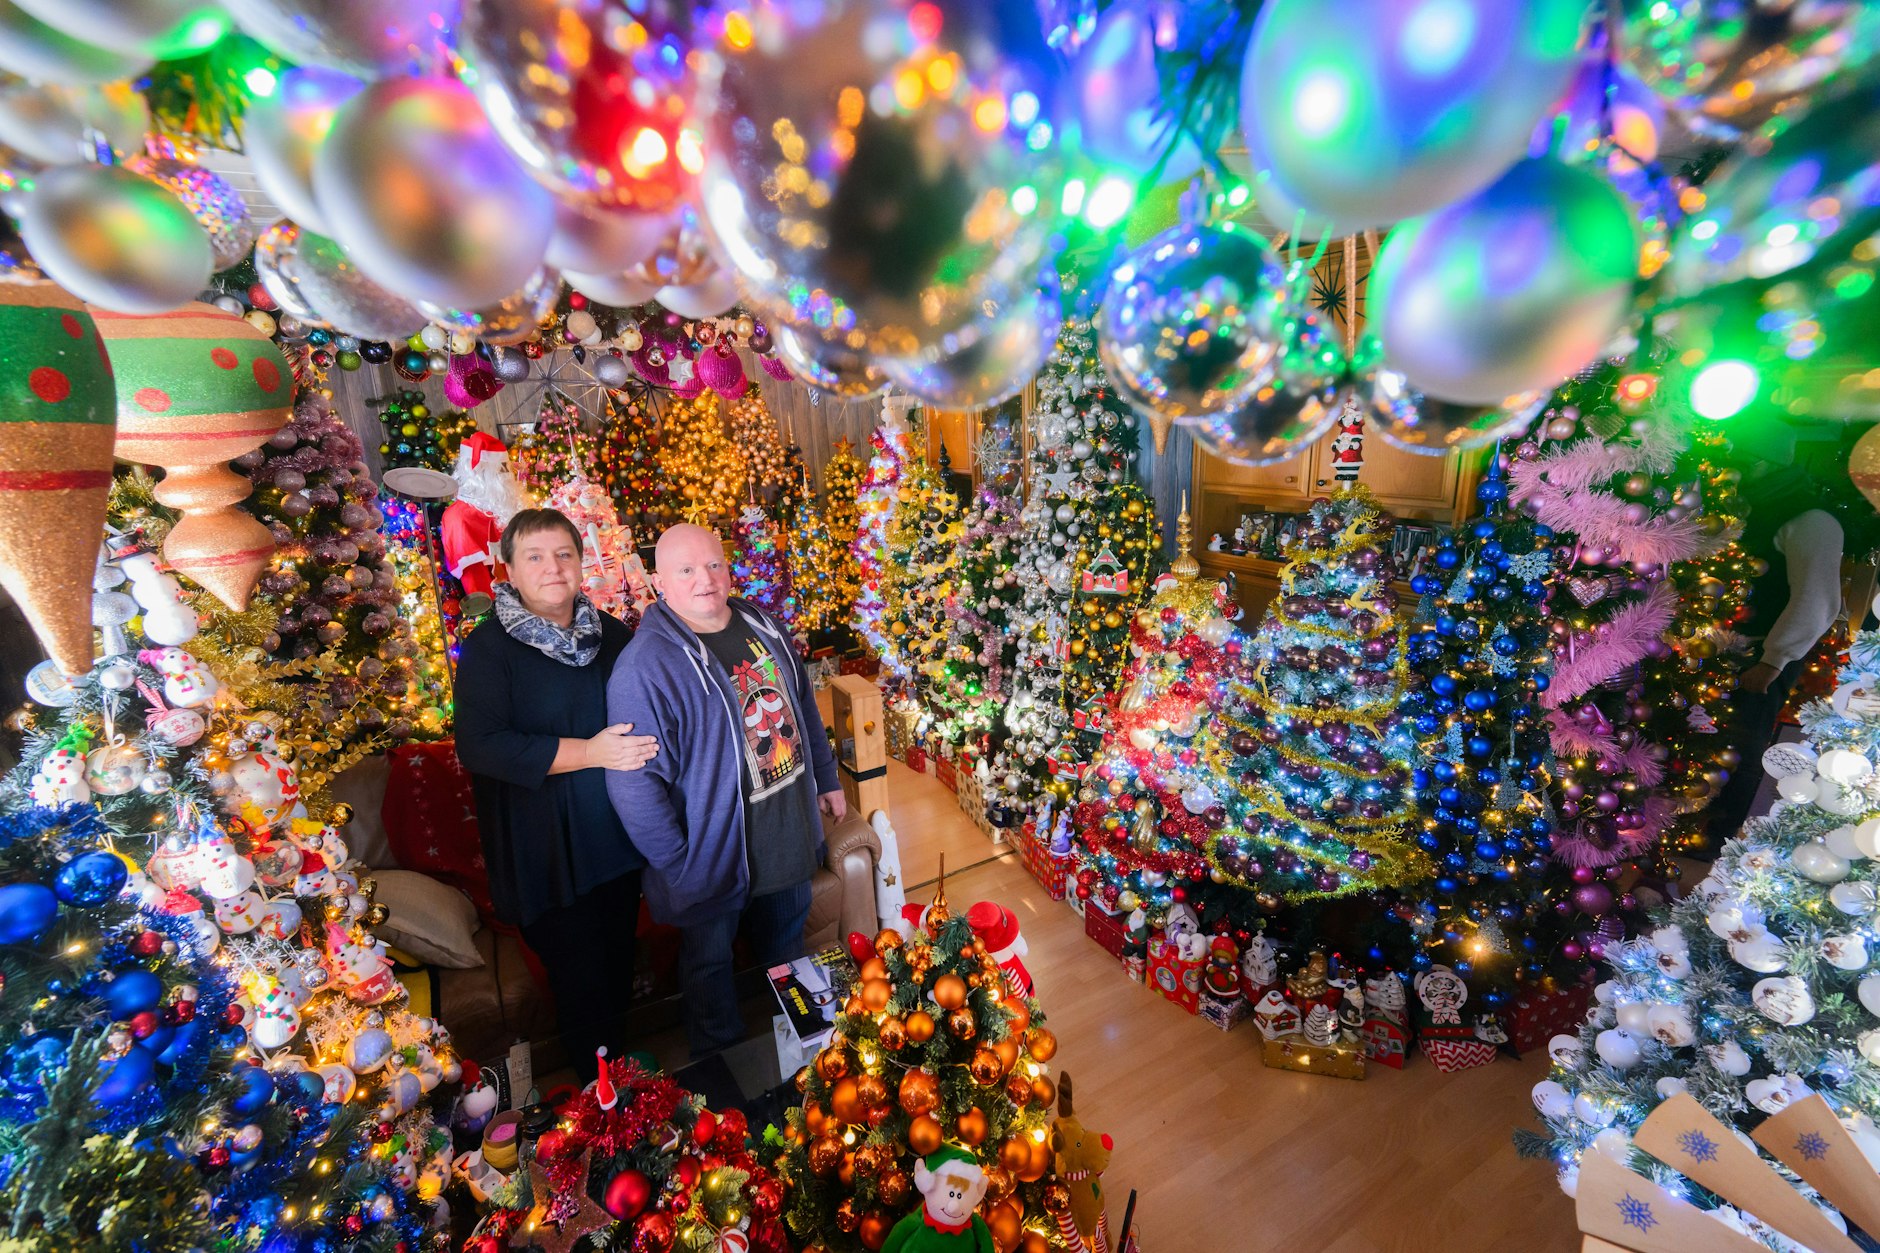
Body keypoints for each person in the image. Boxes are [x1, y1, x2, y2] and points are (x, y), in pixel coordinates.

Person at [604, 523, 845, 1057]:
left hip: (787, 832)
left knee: (787, 944)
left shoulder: (763, 624)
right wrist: (678, 861)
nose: (705, 580)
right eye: (686, 570)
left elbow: (803, 705)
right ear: (658, 581)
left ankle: (813, 1056)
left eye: (713, 565)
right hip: (710, 859)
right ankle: (722, 1069)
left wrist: (826, 779)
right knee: (709, 965)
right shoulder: (645, 667)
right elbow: (632, 782)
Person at [454, 508, 658, 1079]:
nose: (553, 568)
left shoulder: (612, 634)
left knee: (616, 964)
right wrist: (589, 752)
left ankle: (625, 1089)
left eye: (564, 554)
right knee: (580, 981)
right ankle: (601, 1102)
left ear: (582, 560)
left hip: (612, 842)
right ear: (509, 571)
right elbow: (482, 746)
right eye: (535, 557)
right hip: (544, 851)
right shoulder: (489, 650)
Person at [1707, 425, 1870, 841]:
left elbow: (1816, 601)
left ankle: (1719, 836)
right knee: (1709, 743)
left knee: (1741, 748)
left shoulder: (1810, 519)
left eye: (1741, 463)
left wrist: (1772, 661)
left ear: (1765, 465)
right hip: (1725, 648)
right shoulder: (1749, 510)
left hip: (1759, 654)